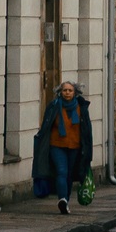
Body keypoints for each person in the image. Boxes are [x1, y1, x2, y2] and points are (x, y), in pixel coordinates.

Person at [33, 81, 95, 214]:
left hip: (75, 146)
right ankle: (62, 199)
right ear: (60, 92)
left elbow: (86, 130)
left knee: (69, 175)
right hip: (57, 145)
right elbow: (46, 126)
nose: (67, 93)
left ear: (75, 93)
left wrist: (87, 149)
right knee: (62, 171)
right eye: (65, 90)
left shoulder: (81, 108)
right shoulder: (54, 106)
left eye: (70, 90)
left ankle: (65, 202)